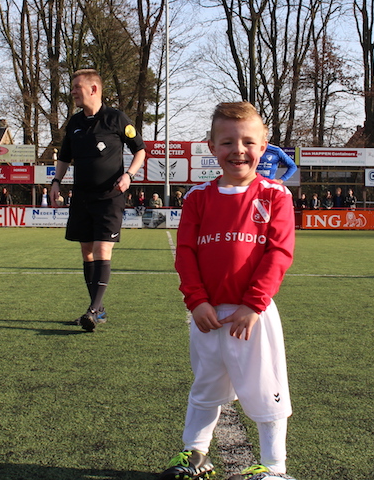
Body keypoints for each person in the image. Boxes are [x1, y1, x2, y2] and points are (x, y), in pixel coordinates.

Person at [160, 102, 295, 480]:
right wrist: (197, 301)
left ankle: (274, 468)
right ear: (211, 146)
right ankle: (194, 454)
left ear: (264, 146)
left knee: (266, 389)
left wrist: (253, 304)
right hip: (208, 314)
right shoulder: (197, 197)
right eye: (227, 142)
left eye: (248, 142)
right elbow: (186, 253)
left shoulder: (275, 195)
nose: (238, 150)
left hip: (254, 315)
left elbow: (279, 253)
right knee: (206, 385)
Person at [49, 69, 147, 332]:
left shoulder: (116, 118)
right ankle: (98, 309)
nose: (72, 92)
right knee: (87, 252)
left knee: (103, 249)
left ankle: (93, 310)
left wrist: (129, 175)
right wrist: (56, 181)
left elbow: (140, 149)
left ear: (93, 89)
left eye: (77, 87)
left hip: (109, 197)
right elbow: (64, 157)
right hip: (82, 197)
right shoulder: (74, 122)